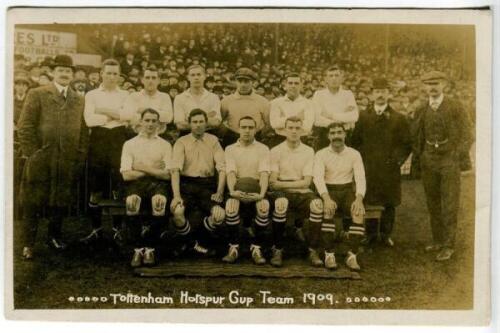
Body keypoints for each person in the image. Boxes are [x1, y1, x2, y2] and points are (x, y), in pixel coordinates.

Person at [17, 54, 89, 259]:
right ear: (53, 73)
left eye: (68, 71)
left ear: (73, 75)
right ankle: (28, 244)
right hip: (41, 159)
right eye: (61, 70)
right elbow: (25, 127)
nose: (65, 74)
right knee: (33, 202)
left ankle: (54, 237)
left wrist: (79, 156)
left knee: (60, 200)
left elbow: (83, 132)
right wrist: (33, 153)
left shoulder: (79, 100)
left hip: (66, 159)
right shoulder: (37, 93)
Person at [412, 71, 473, 261]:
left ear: (443, 85)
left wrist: (456, 154)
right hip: (429, 159)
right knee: (433, 202)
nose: (432, 87)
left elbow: (468, 134)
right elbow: (416, 134)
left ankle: (448, 245)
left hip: (449, 159)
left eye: (436, 83)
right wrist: (421, 154)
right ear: (424, 87)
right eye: (429, 83)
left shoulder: (456, 106)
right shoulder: (421, 108)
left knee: (449, 203)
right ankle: (438, 240)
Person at [351, 78, 412, 247]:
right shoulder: (363, 116)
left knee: (389, 201)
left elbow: (406, 144)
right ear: (372, 95)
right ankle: (370, 234)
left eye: (384, 91)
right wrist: (360, 161)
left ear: (389, 94)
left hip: (389, 168)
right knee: (369, 199)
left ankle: (385, 235)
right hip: (368, 166)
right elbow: (355, 141)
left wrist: (395, 161)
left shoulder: (398, 118)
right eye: (377, 92)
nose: (380, 95)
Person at [81, 59, 130, 246]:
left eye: (115, 74)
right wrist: (114, 114)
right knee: (95, 187)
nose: (111, 77)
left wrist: (103, 111)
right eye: (108, 73)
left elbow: (128, 117)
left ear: (119, 76)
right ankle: (96, 230)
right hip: (98, 140)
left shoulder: (126, 95)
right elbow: (89, 121)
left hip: (119, 139)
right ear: (101, 73)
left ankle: (118, 230)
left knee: (118, 185)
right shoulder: (91, 95)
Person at [120, 108, 175, 267]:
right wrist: (154, 170)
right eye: (147, 120)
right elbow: (126, 175)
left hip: (158, 184)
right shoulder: (130, 144)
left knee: (159, 202)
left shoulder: (165, 145)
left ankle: (150, 248)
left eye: (153, 121)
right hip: (135, 184)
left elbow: (167, 175)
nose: (150, 124)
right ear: (141, 122)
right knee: (132, 202)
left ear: (158, 124)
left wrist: (141, 167)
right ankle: (137, 249)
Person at [268, 116, 324, 267]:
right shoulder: (275, 150)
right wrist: (289, 185)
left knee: (317, 205)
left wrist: (283, 184)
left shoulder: (308, 151)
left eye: (297, 128)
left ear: (302, 131)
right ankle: (278, 249)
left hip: (302, 191)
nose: (293, 131)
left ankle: (312, 250)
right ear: (284, 130)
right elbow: (272, 183)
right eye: (290, 128)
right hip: (282, 194)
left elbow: (307, 182)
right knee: (281, 203)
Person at [170, 109, 226, 256]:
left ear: (206, 123)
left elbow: (222, 168)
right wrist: (176, 196)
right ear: (189, 124)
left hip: (207, 185)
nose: (198, 125)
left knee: (219, 215)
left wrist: (219, 192)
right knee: (178, 212)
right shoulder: (181, 142)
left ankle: (193, 242)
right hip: (186, 185)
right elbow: (175, 170)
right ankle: (192, 243)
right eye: (195, 122)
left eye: (201, 121)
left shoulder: (213, 141)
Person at [313, 122, 366, 270]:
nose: (336, 136)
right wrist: (327, 198)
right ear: (328, 136)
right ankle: (329, 254)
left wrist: (359, 199)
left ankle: (352, 255)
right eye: (333, 133)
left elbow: (360, 177)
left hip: (347, 190)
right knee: (328, 211)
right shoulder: (321, 154)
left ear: (345, 134)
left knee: (358, 213)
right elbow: (318, 178)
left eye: (339, 132)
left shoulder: (354, 154)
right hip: (328, 191)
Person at [223, 116, 271, 264]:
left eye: (251, 127)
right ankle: (233, 247)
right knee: (231, 206)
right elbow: (230, 173)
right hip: (237, 187)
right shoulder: (230, 149)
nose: (247, 131)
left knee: (263, 206)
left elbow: (264, 174)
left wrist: (261, 195)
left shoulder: (263, 149)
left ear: (255, 130)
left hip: (256, 188)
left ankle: (256, 248)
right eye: (243, 127)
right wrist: (232, 192)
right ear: (238, 129)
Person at [220, 67, 270, 147]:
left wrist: (258, 135)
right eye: (240, 81)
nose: (243, 85)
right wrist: (228, 133)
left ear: (253, 82)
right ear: (235, 82)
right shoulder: (226, 101)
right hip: (232, 139)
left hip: (255, 139)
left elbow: (268, 124)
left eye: (246, 81)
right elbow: (220, 122)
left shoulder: (262, 101)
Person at [312, 65, 359, 149]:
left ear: (341, 78)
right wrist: (342, 119)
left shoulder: (348, 94)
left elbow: (354, 116)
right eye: (331, 76)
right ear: (326, 79)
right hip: (324, 135)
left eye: (336, 75)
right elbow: (317, 119)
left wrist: (331, 115)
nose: (334, 78)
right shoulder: (318, 94)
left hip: (344, 136)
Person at [269, 72, 315, 148]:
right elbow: (274, 124)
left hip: (302, 140)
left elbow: (307, 127)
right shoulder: (276, 102)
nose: (293, 86)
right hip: (280, 139)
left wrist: (284, 119)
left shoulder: (309, 104)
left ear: (301, 86)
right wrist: (298, 117)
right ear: (285, 86)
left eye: (296, 83)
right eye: (290, 83)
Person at [173, 65, 222, 136]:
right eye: (192, 75)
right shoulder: (179, 98)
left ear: (205, 76)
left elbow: (216, 122)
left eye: (199, 74)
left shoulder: (213, 97)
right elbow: (180, 125)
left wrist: (189, 121)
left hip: (209, 135)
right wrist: (207, 119)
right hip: (186, 136)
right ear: (188, 77)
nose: (196, 77)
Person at [121, 66, 173, 132]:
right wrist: (158, 115)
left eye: (154, 78)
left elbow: (168, 118)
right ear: (142, 80)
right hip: (136, 135)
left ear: (158, 80)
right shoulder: (133, 96)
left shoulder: (165, 97)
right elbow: (127, 116)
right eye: (147, 78)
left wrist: (144, 110)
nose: (150, 81)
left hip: (159, 136)